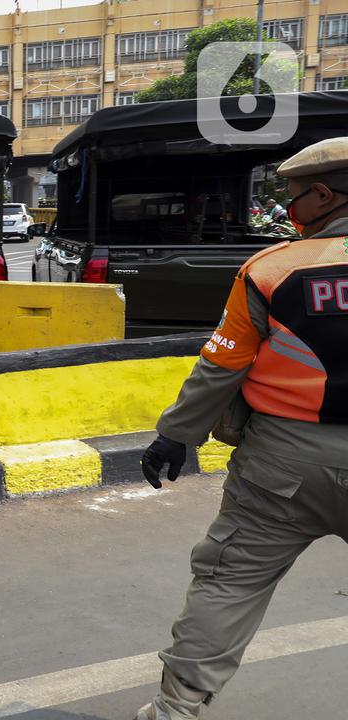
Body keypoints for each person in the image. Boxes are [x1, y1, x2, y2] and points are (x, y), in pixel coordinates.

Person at [136, 136, 348, 719]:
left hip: (283, 468)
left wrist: (175, 434)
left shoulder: (272, 268)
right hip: (286, 460)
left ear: (325, 194)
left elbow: (223, 364)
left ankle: (175, 711)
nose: (288, 209)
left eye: (294, 197)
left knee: (229, 583)